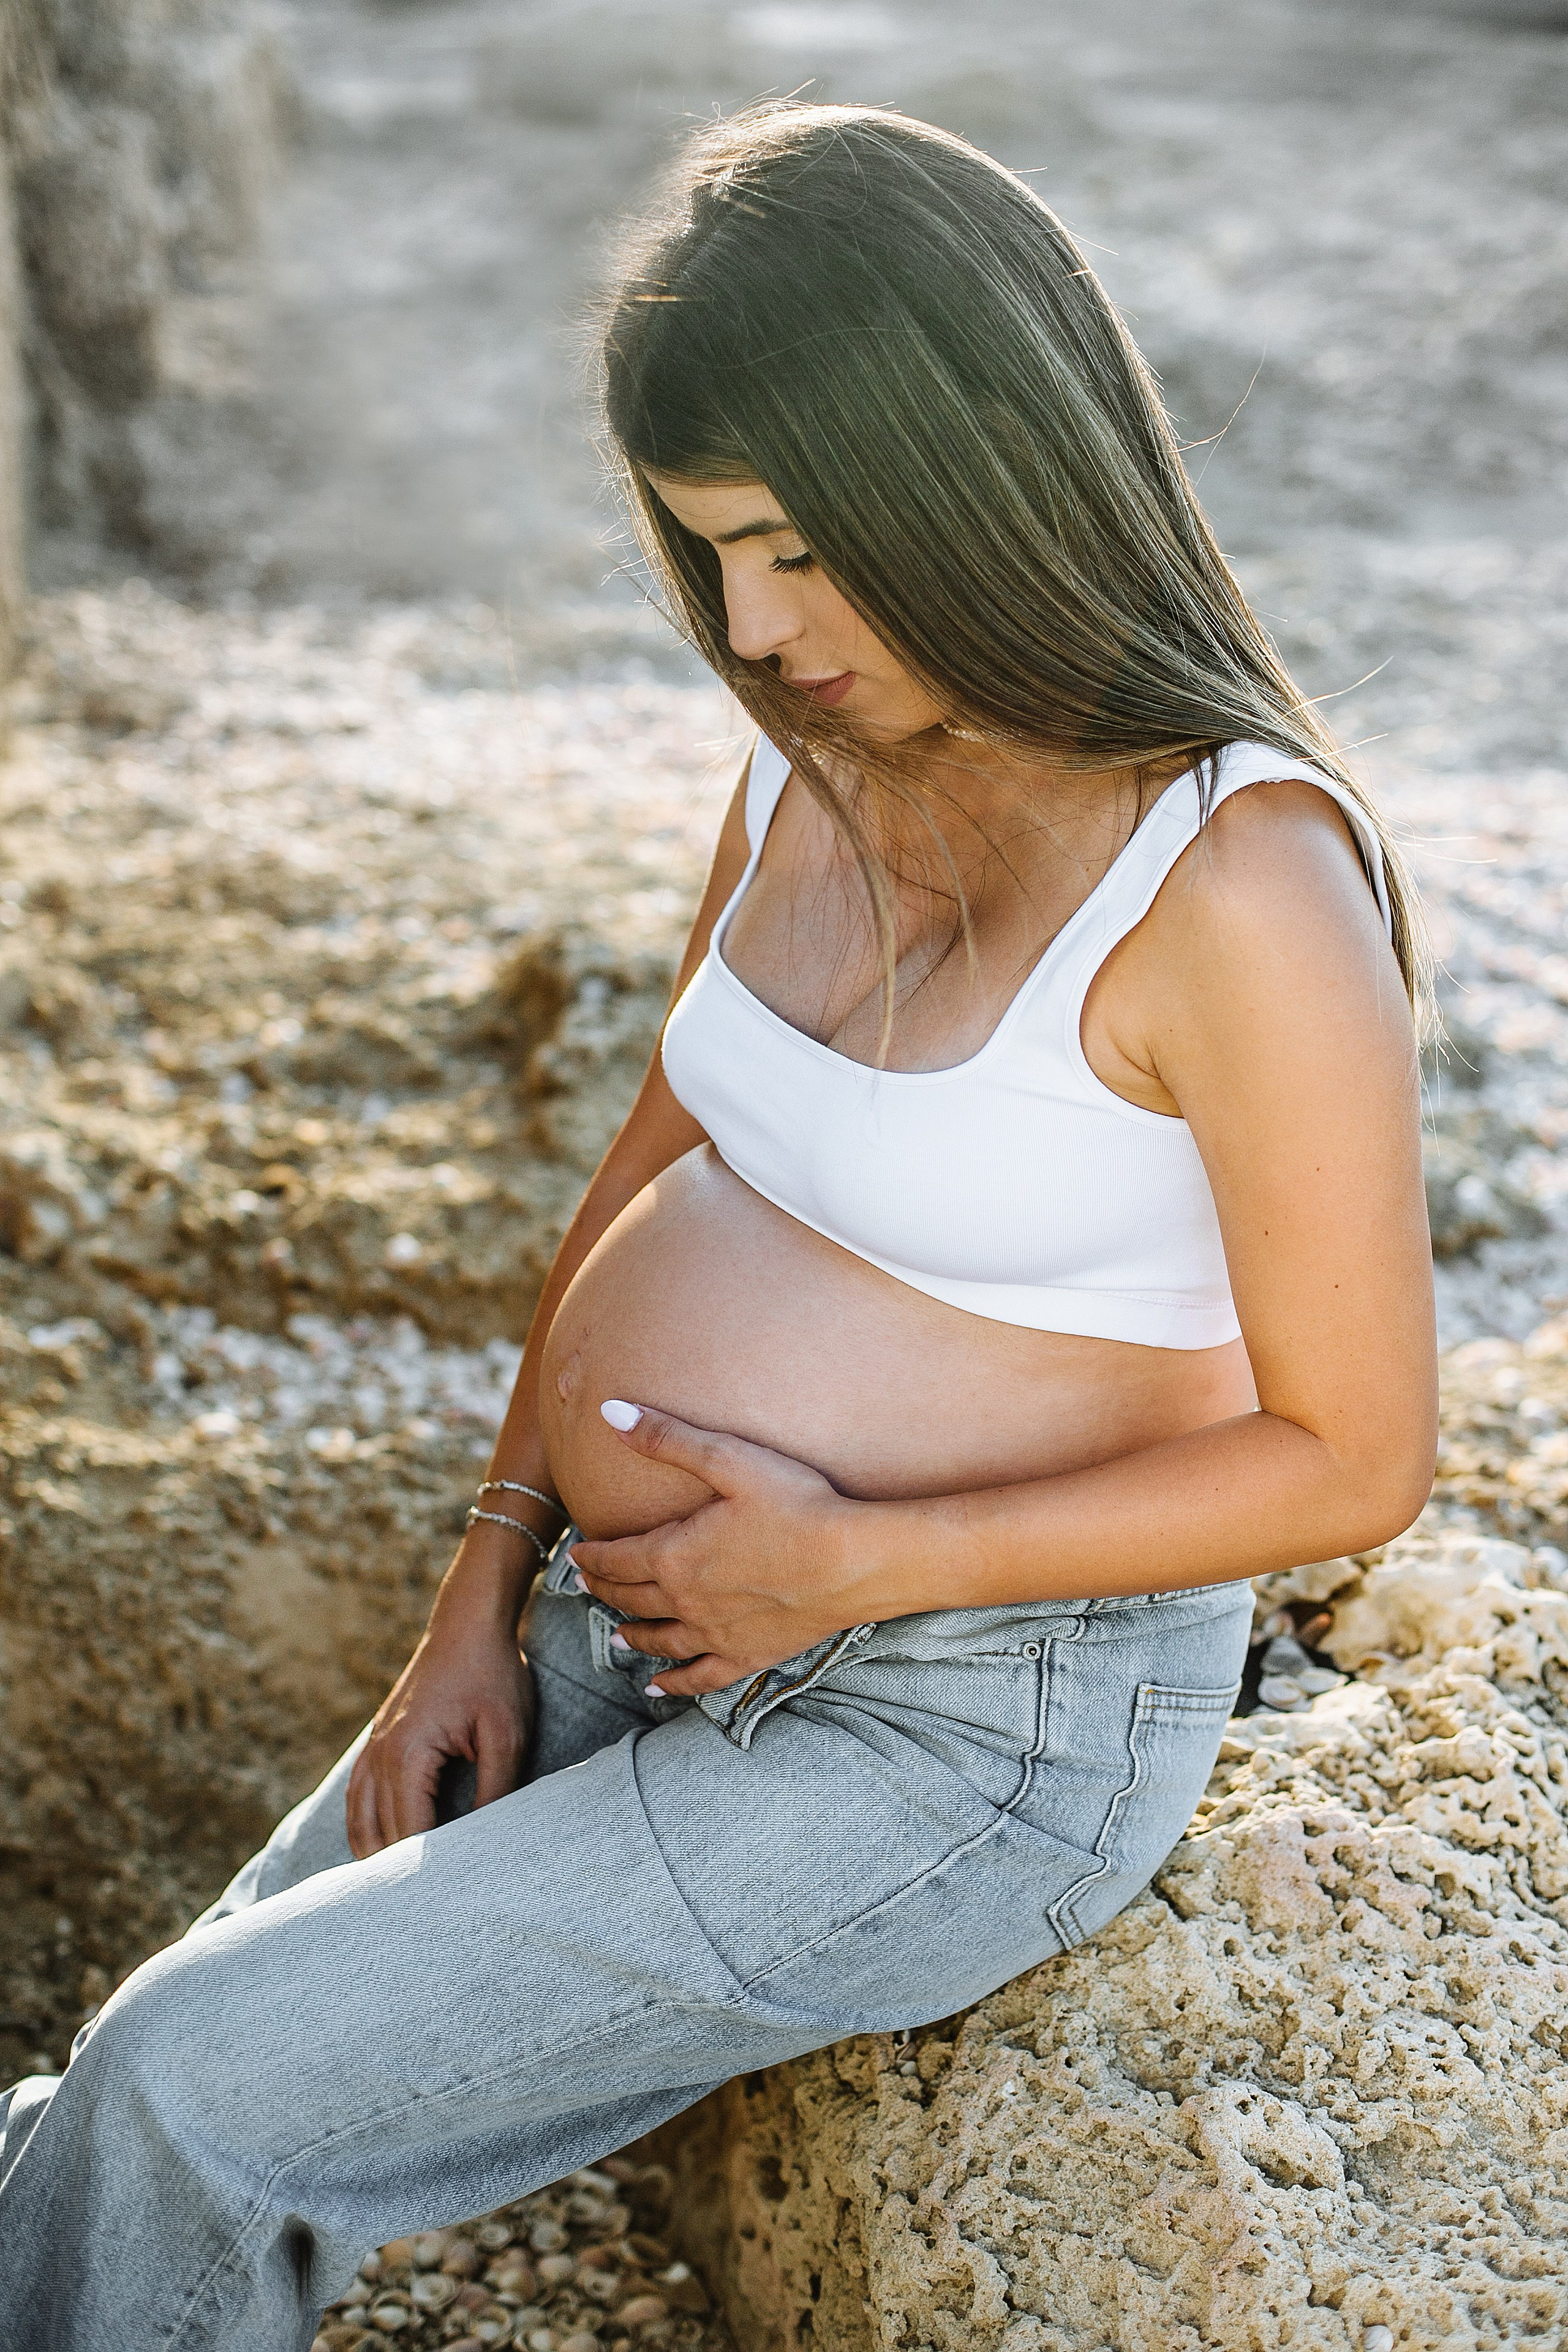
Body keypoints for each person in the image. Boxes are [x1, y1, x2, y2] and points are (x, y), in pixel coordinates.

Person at [0, 102, 1436, 2348]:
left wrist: (864, 1566)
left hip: (965, 1726)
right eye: (710, 558)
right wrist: (479, 1579)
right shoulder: (809, 746)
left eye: (791, 547)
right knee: (105, 2097)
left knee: (191, 2098)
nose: (755, 627)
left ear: (969, 472)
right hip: (632, 1598)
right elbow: (660, 1159)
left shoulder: (1243, 889)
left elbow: (1358, 1457)